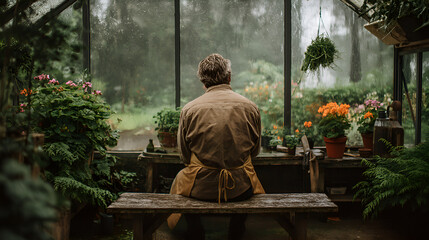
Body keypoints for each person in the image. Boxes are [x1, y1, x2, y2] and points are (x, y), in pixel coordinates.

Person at [167, 53, 265, 240]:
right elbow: (255, 152)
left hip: (199, 190)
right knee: (249, 175)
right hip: (240, 189)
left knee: (182, 179)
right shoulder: (250, 107)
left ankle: (196, 231)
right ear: (229, 77)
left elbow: (185, 156)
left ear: (203, 82)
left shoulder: (189, 109)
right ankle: (236, 231)